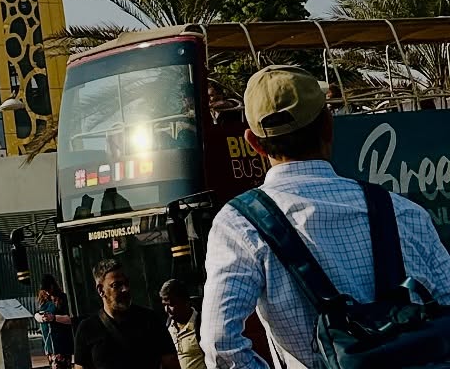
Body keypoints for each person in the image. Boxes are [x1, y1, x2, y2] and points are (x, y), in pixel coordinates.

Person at [202, 66, 450, 369]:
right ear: (329, 126)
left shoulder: (239, 225)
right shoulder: (403, 212)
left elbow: (220, 343)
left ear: (253, 142)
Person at [73, 257, 178, 369]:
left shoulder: (150, 320)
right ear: (100, 290)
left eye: (126, 283)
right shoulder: (87, 329)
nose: (125, 289)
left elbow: (171, 364)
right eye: (116, 285)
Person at [158, 283, 205, 369]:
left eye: (171, 304)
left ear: (185, 301)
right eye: (164, 305)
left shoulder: (202, 324)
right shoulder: (168, 328)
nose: (167, 309)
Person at [36, 278, 74, 368]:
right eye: (45, 290)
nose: (47, 292)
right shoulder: (44, 300)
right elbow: (38, 312)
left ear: (53, 286)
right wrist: (39, 317)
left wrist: (53, 318)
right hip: (49, 343)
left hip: (61, 342)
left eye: (48, 289)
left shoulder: (62, 298)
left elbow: (69, 319)